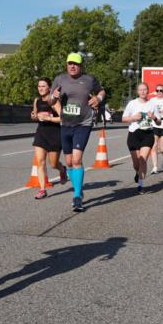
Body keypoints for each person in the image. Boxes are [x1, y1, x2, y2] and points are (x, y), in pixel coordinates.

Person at [51, 52, 106, 212]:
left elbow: (102, 91)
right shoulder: (59, 79)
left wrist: (99, 98)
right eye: (70, 63)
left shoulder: (89, 79)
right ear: (66, 64)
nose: (72, 66)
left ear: (81, 66)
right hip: (65, 123)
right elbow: (50, 101)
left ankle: (77, 197)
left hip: (83, 123)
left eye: (75, 64)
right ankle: (78, 188)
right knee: (68, 162)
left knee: (76, 160)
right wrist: (53, 97)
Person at [30, 77, 67, 199]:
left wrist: (49, 118)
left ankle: (62, 170)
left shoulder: (54, 102)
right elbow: (35, 115)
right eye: (39, 86)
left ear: (49, 88)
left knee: (53, 164)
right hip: (41, 133)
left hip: (55, 134)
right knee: (40, 162)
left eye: (43, 86)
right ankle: (42, 189)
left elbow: (63, 119)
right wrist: (34, 116)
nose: (40, 88)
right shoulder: (37, 101)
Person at [121, 83, 158, 194]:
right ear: (137, 91)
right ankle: (138, 173)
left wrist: (154, 117)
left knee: (143, 159)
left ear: (148, 91)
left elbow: (159, 121)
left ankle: (141, 185)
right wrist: (133, 117)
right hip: (134, 134)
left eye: (145, 89)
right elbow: (123, 118)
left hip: (147, 134)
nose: (142, 92)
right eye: (140, 90)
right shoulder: (132, 103)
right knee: (136, 164)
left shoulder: (152, 105)